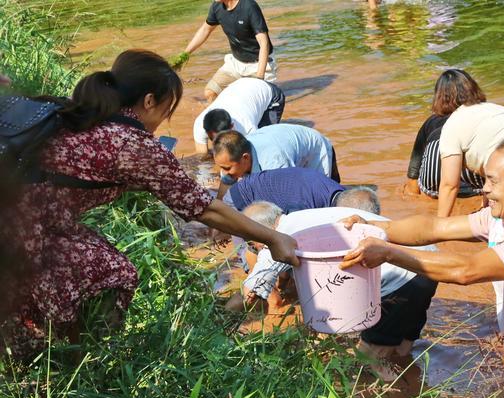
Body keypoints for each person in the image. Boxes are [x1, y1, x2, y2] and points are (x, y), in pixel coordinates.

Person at [0, 50, 298, 359]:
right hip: (17, 232)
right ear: (148, 101)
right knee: (108, 273)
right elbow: (204, 209)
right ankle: (78, 361)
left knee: (97, 268)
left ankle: (66, 356)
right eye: (167, 110)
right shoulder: (131, 143)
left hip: (25, 219)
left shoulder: (84, 114)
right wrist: (273, 237)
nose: (163, 122)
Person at [341, 134, 504, 398]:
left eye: (493, 181)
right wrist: (377, 227)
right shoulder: (500, 220)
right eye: (485, 179)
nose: (484, 189)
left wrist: (387, 253)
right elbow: (435, 227)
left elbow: (466, 270)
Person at [240, 199, 437, 381]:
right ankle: (414, 380)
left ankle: (400, 390)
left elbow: (249, 293)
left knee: (369, 362)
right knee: (402, 350)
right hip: (428, 263)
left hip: (402, 278)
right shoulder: (304, 217)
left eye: (251, 245)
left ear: (255, 239)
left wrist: (223, 317)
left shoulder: (279, 240)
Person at [436, 71, 504, 217]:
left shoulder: (453, 124)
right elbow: (491, 155)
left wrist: (438, 226)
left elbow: (449, 185)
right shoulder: (498, 109)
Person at [405, 69, 490, 199]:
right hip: (475, 185)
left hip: (434, 185)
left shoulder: (430, 122)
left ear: (438, 96)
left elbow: (413, 174)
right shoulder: (484, 115)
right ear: (473, 90)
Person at [212, 125, 340, 200]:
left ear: (245, 158)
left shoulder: (275, 162)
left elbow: (289, 198)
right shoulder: (232, 157)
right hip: (284, 143)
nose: (224, 172)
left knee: (320, 197)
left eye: (227, 168)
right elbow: (225, 188)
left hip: (313, 152)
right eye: (222, 168)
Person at [184, 0, 277, 102]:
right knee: (210, 93)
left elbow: (264, 44)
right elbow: (205, 30)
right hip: (235, 63)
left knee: (251, 101)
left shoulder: (249, 6)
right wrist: (185, 54)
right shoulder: (217, 6)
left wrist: (259, 79)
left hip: (259, 64)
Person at [192, 78, 285, 154]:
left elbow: (256, 154)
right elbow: (202, 156)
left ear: (232, 127)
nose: (218, 143)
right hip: (240, 86)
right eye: (214, 140)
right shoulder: (200, 124)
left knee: (266, 139)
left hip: (271, 96)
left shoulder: (247, 128)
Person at [223, 167, 348, 214]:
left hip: (264, 190)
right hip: (238, 200)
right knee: (253, 248)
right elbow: (291, 233)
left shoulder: (343, 192)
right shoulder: (304, 205)